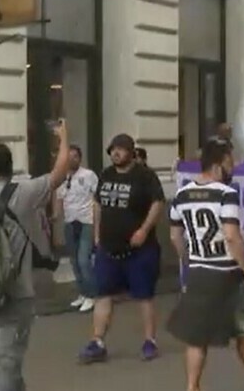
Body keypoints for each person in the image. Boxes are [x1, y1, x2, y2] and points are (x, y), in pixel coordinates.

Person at [167, 140, 244, 391]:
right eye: (230, 162)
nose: (233, 168)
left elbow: (174, 237)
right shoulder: (225, 193)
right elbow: (232, 236)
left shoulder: (181, 194)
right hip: (227, 272)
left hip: (199, 271)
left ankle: (192, 386)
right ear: (219, 164)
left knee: (196, 336)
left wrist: (188, 261)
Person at [0, 120, 70, 391]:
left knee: (6, 359)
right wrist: (63, 137)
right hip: (16, 293)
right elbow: (60, 172)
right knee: (6, 363)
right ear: (10, 168)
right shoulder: (23, 193)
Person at [79, 133, 165, 363]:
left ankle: (149, 341)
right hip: (108, 247)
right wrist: (97, 235)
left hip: (139, 250)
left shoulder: (144, 176)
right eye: (112, 150)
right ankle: (97, 341)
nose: (115, 153)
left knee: (143, 296)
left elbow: (158, 203)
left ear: (131, 152)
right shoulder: (106, 175)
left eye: (120, 149)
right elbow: (97, 204)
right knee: (103, 294)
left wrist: (144, 230)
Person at [54, 144, 99, 313]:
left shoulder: (88, 175)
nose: (71, 159)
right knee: (74, 261)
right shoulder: (62, 178)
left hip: (86, 221)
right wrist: (56, 218)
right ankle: (83, 293)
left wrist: (97, 228)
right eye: (69, 156)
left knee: (83, 260)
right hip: (69, 222)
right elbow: (59, 199)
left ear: (80, 158)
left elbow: (96, 200)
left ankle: (92, 295)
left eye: (75, 156)